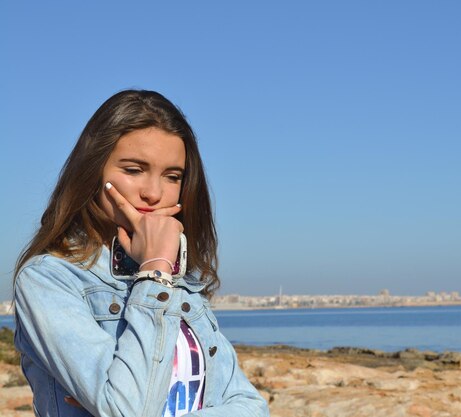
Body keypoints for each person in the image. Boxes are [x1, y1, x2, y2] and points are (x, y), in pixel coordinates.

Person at [13, 90, 270, 417]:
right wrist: (155, 270)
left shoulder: (183, 283)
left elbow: (252, 408)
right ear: (93, 171)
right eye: (134, 170)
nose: (153, 192)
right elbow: (128, 410)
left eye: (172, 176)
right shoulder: (49, 280)